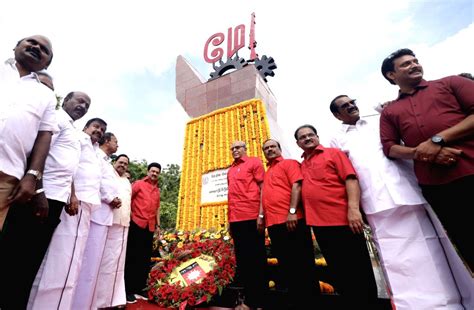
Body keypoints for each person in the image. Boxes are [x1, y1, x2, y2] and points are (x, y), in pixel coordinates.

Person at [329, 95, 461, 309]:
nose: (352, 106)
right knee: (396, 259)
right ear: (337, 115)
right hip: (374, 199)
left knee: (433, 249)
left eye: (352, 101)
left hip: (407, 190)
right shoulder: (335, 139)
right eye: (345, 106)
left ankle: (451, 303)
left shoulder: (379, 121)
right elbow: (345, 173)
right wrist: (354, 207)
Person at [380, 48, 474, 272]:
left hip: (471, 168)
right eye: (405, 64)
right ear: (391, 76)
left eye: (415, 61)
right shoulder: (390, 111)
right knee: (468, 243)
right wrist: (422, 152)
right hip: (437, 187)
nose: (414, 65)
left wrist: (437, 140)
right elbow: (389, 147)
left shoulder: (451, 83)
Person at [0, 35, 57, 309]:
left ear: (47, 61)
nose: (36, 48)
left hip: (7, 176)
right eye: (31, 42)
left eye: (44, 49)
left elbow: (43, 137)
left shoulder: (45, 95)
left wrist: (32, 176)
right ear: (16, 46)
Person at [294, 124, 378, 309]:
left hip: (343, 220)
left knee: (358, 269)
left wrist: (354, 209)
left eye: (310, 135)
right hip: (319, 225)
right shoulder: (302, 164)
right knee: (338, 270)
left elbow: (350, 178)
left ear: (317, 136)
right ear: (298, 143)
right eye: (303, 137)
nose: (307, 138)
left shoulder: (333, 153)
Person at [28, 118, 107, 310]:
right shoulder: (78, 139)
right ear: (85, 127)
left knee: (74, 262)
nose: (99, 131)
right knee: (60, 258)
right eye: (95, 126)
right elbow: (69, 168)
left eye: (102, 129)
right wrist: (73, 195)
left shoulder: (97, 152)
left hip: (87, 207)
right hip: (73, 203)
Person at [261, 139, 320, 309]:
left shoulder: (289, 163)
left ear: (279, 148)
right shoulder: (267, 172)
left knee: (304, 265)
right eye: (266, 148)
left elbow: (297, 185)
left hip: (292, 221)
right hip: (274, 224)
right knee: (287, 266)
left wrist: (292, 211)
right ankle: (297, 302)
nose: (270, 150)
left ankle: (312, 303)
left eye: (273, 146)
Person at [72, 132, 121, 309]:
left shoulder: (106, 161)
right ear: (106, 141)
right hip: (95, 214)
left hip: (104, 215)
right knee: (86, 263)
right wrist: (110, 198)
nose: (118, 145)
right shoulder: (97, 158)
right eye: (116, 141)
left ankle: (86, 304)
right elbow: (96, 182)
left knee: (93, 265)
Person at [227, 141, 267, 309]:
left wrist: (261, 214)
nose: (235, 150)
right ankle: (246, 301)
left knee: (257, 259)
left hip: (252, 216)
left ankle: (260, 301)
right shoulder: (230, 170)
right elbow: (231, 197)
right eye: (232, 148)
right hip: (236, 219)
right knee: (243, 261)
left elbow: (263, 188)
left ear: (245, 149)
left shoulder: (254, 162)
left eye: (238, 148)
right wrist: (229, 220)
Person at [94, 154, 132, 308]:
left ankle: (115, 299)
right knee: (104, 263)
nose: (122, 165)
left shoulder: (127, 181)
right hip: (108, 222)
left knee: (117, 265)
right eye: (120, 162)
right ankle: (100, 301)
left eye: (125, 164)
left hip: (123, 225)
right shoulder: (108, 174)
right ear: (115, 162)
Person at [125, 162, 162, 303]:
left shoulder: (157, 190)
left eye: (157, 172)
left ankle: (139, 288)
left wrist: (158, 225)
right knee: (132, 257)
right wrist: (130, 217)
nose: (154, 174)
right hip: (136, 224)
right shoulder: (138, 184)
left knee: (144, 259)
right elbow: (128, 199)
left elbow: (157, 208)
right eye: (152, 171)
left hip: (150, 227)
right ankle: (127, 290)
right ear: (148, 172)